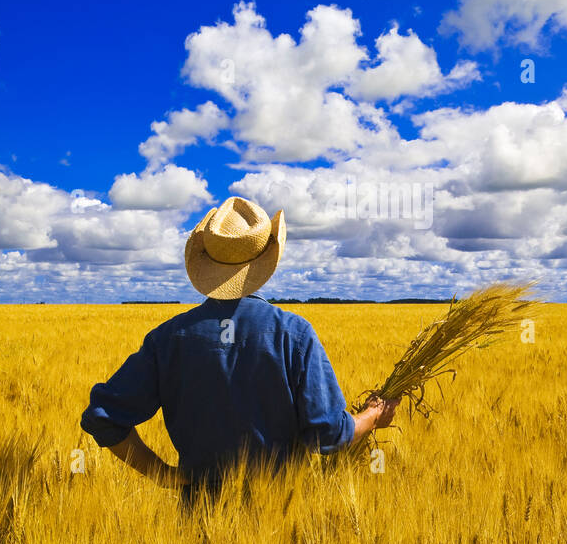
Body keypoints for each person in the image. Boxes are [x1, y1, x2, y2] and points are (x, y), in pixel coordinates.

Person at [80, 195, 397, 507]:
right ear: (265, 258)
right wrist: (372, 416)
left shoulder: (167, 338)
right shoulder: (294, 334)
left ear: (206, 259)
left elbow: (103, 417)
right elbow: (328, 434)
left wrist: (161, 474)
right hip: (282, 517)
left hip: (198, 520)